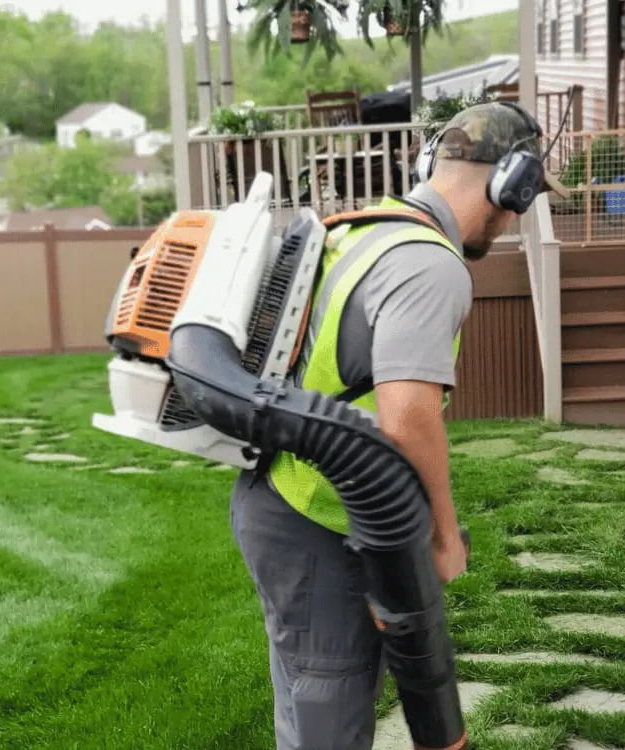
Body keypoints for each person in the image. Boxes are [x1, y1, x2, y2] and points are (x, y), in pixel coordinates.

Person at [229, 101, 569, 750]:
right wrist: (442, 535)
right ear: (511, 184)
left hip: (279, 496)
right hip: (323, 524)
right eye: (525, 199)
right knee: (330, 706)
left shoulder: (361, 230)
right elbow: (407, 418)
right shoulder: (430, 263)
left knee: (304, 696)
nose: (517, 216)